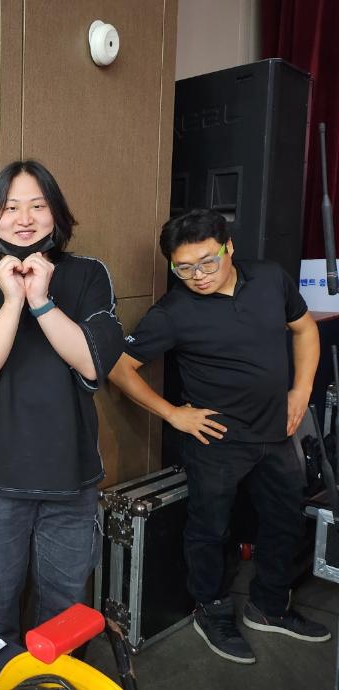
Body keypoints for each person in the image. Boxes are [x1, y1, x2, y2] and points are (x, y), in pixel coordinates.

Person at [108, 208, 330, 664]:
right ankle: (211, 611)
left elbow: (304, 328)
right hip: (217, 440)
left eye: (207, 262)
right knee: (209, 529)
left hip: (277, 431)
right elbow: (119, 367)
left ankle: (269, 607)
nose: (198, 276)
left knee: (285, 521)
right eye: (184, 268)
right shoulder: (173, 311)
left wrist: (301, 390)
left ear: (228, 246)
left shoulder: (269, 278)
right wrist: (173, 414)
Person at [0, 159, 123, 642]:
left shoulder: (88, 275)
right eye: (10, 207)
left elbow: (92, 363)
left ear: (56, 213)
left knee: (64, 613)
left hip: (71, 479)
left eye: (37, 206)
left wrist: (41, 300)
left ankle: (53, 678)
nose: (24, 218)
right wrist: (12, 300)